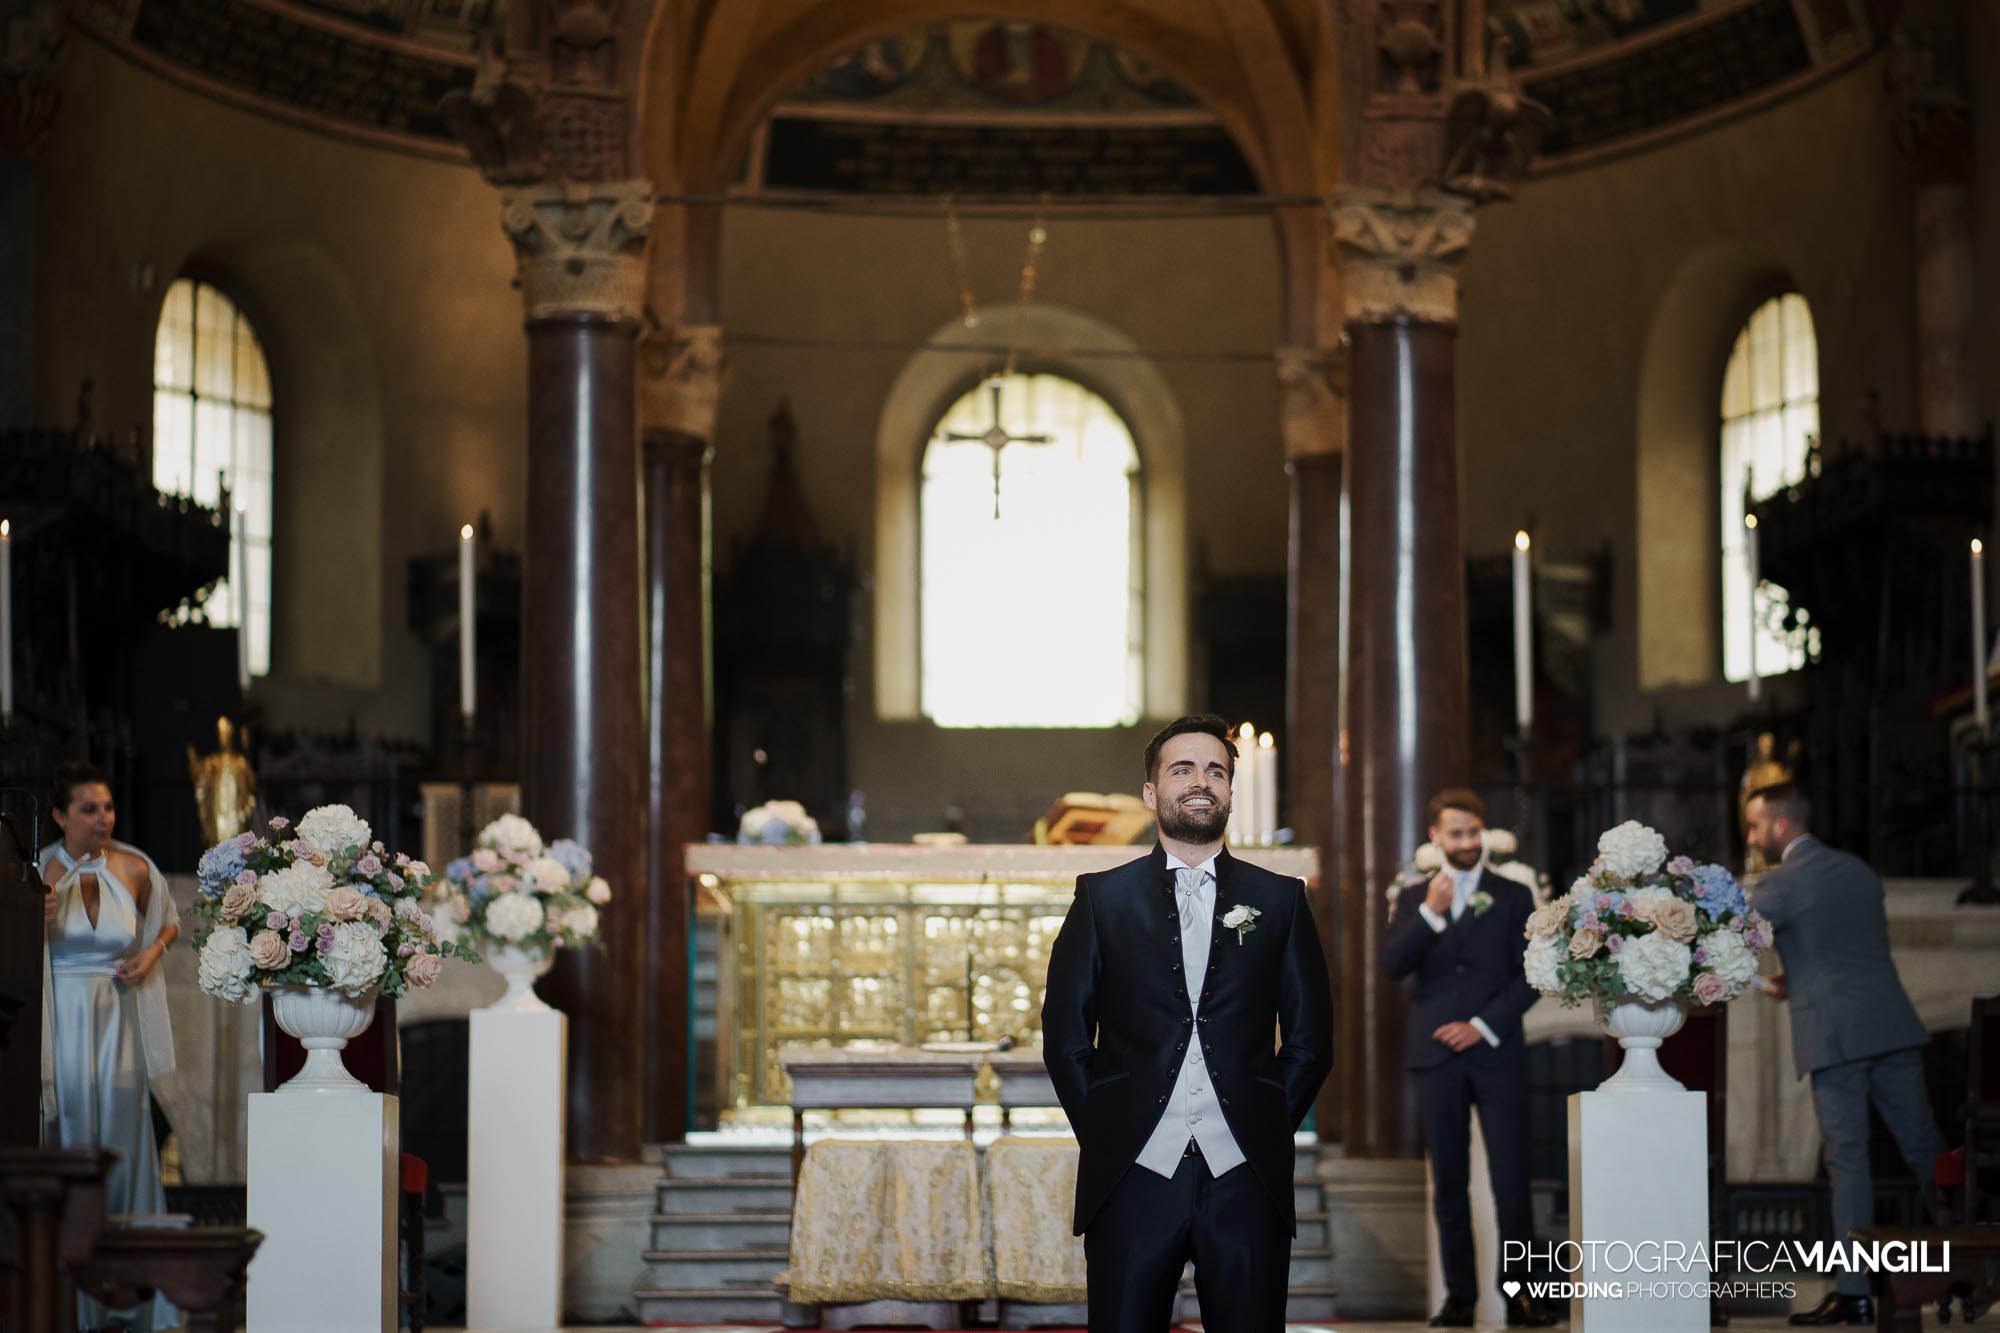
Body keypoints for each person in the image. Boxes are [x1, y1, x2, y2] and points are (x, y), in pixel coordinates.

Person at [1041, 714, 1332, 1333]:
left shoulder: (1279, 899)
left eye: (1215, 771)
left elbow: (1310, 1042)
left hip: (1245, 1179)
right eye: (1182, 769)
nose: (1200, 782)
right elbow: (1066, 1037)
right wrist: (1108, 1130)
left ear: (1229, 791)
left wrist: (1262, 1123)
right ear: (1152, 793)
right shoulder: (1101, 897)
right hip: (1133, 1176)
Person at [1745, 782, 1948, 1328]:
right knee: (1926, 1148)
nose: (1751, 836)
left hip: (1835, 1035)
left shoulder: (1779, 883)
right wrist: (1802, 976)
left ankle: (1855, 1292)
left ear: (1780, 826)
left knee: (1848, 1162)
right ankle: (1980, 1265)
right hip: (1891, 1023)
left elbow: (1729, 938)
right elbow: (1847, 950)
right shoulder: (1859, 871)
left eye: (1755, 826)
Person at [1381, 789, 1555, 1329]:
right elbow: (1392, 964)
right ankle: (1461, 1297)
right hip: (1435, 1054)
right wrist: (1432, 915)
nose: (1465, 843)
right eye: (1455, 833)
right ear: (1435, 837)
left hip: (1495, 1050)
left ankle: (1522, 1297)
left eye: (1473, 832)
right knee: (1449, 1181)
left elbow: (1531, 974)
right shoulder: (1413, 896)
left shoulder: (1511, 893)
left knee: (1511, 1176)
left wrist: (1481, 1026)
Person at [39, 760, 180, 1332]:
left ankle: (139, 1300)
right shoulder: (37, 870)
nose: (103, 819)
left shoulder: (135, 866)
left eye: (108, 807)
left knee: (124, 1143)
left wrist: (151, 954)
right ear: (60, 815)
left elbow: (166, 921)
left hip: (116, 1021)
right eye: (89, 809)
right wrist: (31, 919)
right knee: (73, 1141)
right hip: (63, 1017)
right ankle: (73, 1303)